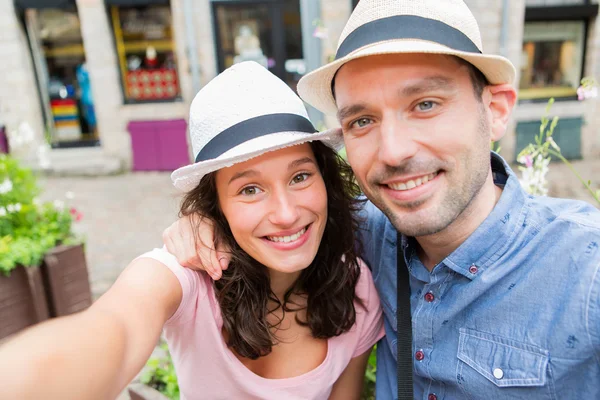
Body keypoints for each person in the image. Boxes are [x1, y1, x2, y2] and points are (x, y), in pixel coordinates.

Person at [162, 0, 600, 398]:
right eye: (362, 120)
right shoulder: (366, 229)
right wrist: (206, 221)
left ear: (497, 108)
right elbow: (283, 216)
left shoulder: (586, 271)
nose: (393, 151)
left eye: (425, 104)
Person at [0, 62, 384, 400]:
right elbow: (113, 330)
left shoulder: (355, 284)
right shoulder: (188, 278)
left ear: (326, 180)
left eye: (300, 176)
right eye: (250, 189)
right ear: (216, 206)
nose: (285, 213)